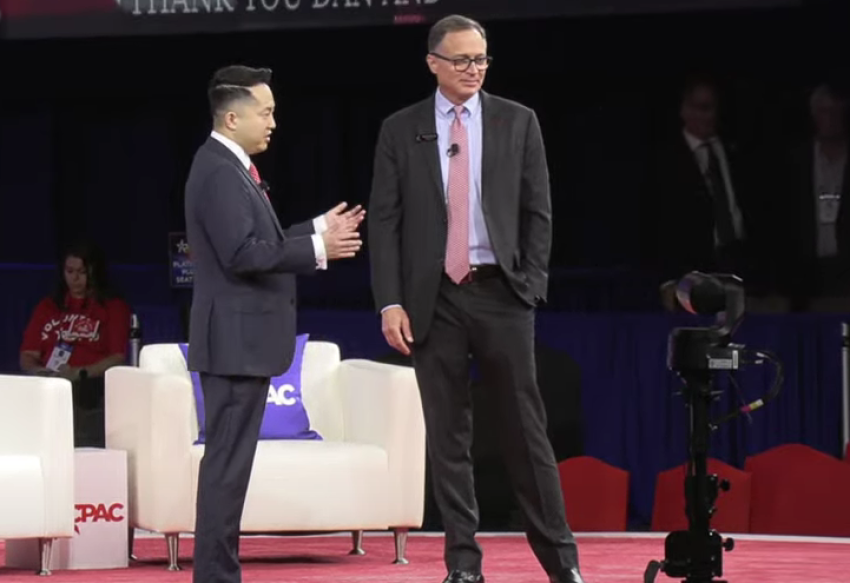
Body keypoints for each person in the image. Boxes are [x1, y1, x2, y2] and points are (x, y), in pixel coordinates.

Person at [368, 14, 586, 583]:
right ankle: (463, 566)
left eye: (482, 59)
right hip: (432, 298)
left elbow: (539, 211)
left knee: (525, 431)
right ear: (433, 62)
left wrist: (529, 285)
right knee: (448, 436)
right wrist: (390, 301)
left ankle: (562, 564)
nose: (474, 69)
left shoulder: (519, 121)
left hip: (501, 293)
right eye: (462, 60)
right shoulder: (401, 128)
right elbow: (385, 223)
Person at [184, 64, 364, 583]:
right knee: (226, 469)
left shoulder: (230, 165)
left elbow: (255, 240)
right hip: (235, 343)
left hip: (243, 342)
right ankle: (217, 577)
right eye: (265, 112)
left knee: (229, 468)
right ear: (233, 116)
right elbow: (242, 254)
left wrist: (314, 230)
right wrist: (316, 249)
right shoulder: (218, 169)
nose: (273, 122)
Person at [20, 241, 130, 447]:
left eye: (81, 271)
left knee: (81, 396)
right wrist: (38, 371)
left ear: (93, 272)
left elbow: (117, 357)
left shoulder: (113, 307)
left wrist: (80, 372)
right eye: (70, 271)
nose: (75, 278)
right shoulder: (48, 307)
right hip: (50, 384)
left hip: (90, 388)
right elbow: (27, 354)